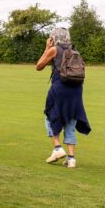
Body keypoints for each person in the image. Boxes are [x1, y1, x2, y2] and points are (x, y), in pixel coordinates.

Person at [35, 27, 91, 168]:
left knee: (50, 115)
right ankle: (71, 159)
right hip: (76, 90)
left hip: (60, 88)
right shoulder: (75, 51)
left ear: (54, 37)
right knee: (71, 121)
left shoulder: (54, 50)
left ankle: (58, 148)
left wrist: (47, 48)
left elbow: (39, 66)